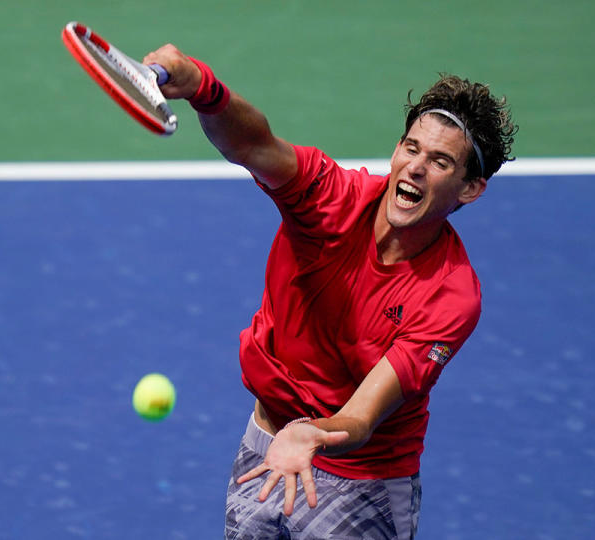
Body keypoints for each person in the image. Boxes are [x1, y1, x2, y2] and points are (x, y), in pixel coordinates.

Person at [142, 44, 517, 539]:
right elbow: (255, 146)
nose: (416, 168)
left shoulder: (451, 295)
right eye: (411, 147)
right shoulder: (330, 198)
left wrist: (310, 434)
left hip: (363, 484)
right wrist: (203, 90)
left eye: (441, 162)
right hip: (265, 448)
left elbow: (361, 417)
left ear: (471, 188)